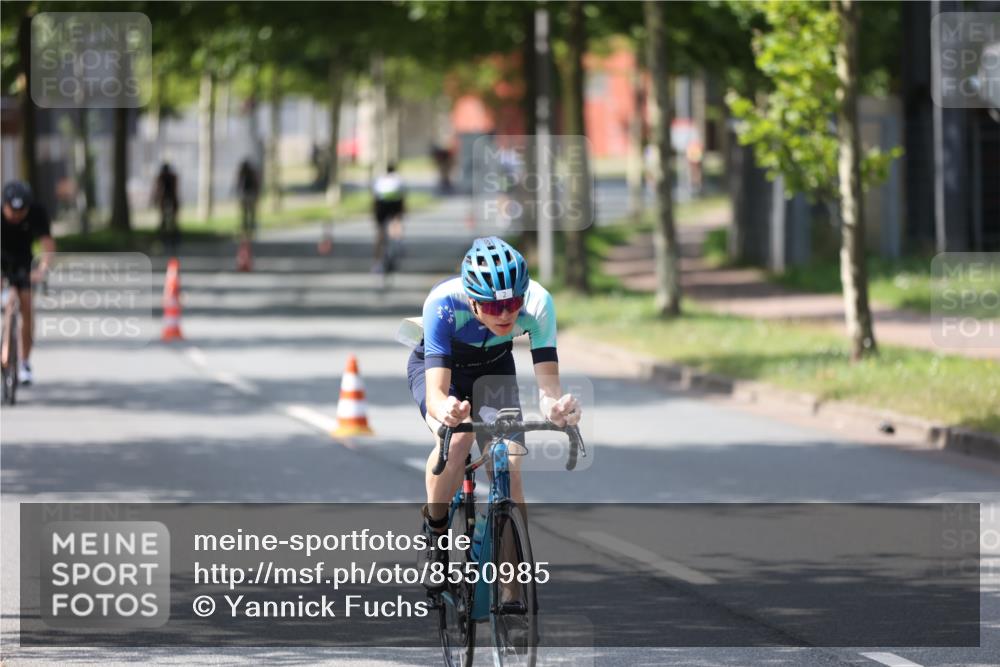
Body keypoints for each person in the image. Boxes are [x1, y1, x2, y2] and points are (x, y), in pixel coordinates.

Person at [407, 236, 581, 585]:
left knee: (508, 464)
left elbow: (548, 390)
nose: (504, 315)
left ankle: (512, 597)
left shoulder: (539, 303)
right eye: (491, 306)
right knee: (456, 442)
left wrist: (557, 409)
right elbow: (438, 394)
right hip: (444, 370)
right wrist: (449, 411)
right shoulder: (443, 303)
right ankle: (436, 534)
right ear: (472, 300)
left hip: (494, 371)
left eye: (512, 303)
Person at [1, 180, 55, 385]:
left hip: (24, 261)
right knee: (7, 300)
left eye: (21, 211)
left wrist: (41, 270)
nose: (16, 216)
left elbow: (47, 245)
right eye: (11, 211)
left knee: (27, 307)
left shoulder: (36, 212)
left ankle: (24, 362)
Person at [371, 163, 405, 272]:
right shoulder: (398, 178)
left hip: (381, 202)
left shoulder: (380, 179)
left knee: (380, 231)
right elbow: (402, 197)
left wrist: (374, 213)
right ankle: (398, 240)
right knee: (396, 221)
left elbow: (375, 198)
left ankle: (377, 263)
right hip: (395, 202)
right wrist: (402, 211)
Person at [151, 163, 180, 252]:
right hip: (169, 199)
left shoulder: (163, 176)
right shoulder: (172, 176)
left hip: (167, 199)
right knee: (170, 221)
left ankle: (164, 238)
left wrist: (155, 199)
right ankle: (172, 239)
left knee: (166, 220)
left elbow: (159, 189)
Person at [235, 159, 260, 240]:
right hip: (249, 195)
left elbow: (238, 184)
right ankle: (248, 231)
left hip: (247, 195)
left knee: (246, 215)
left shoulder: (244, 173)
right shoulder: (249, 173)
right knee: (249, 214)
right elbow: (256, 184)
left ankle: (247, 231)